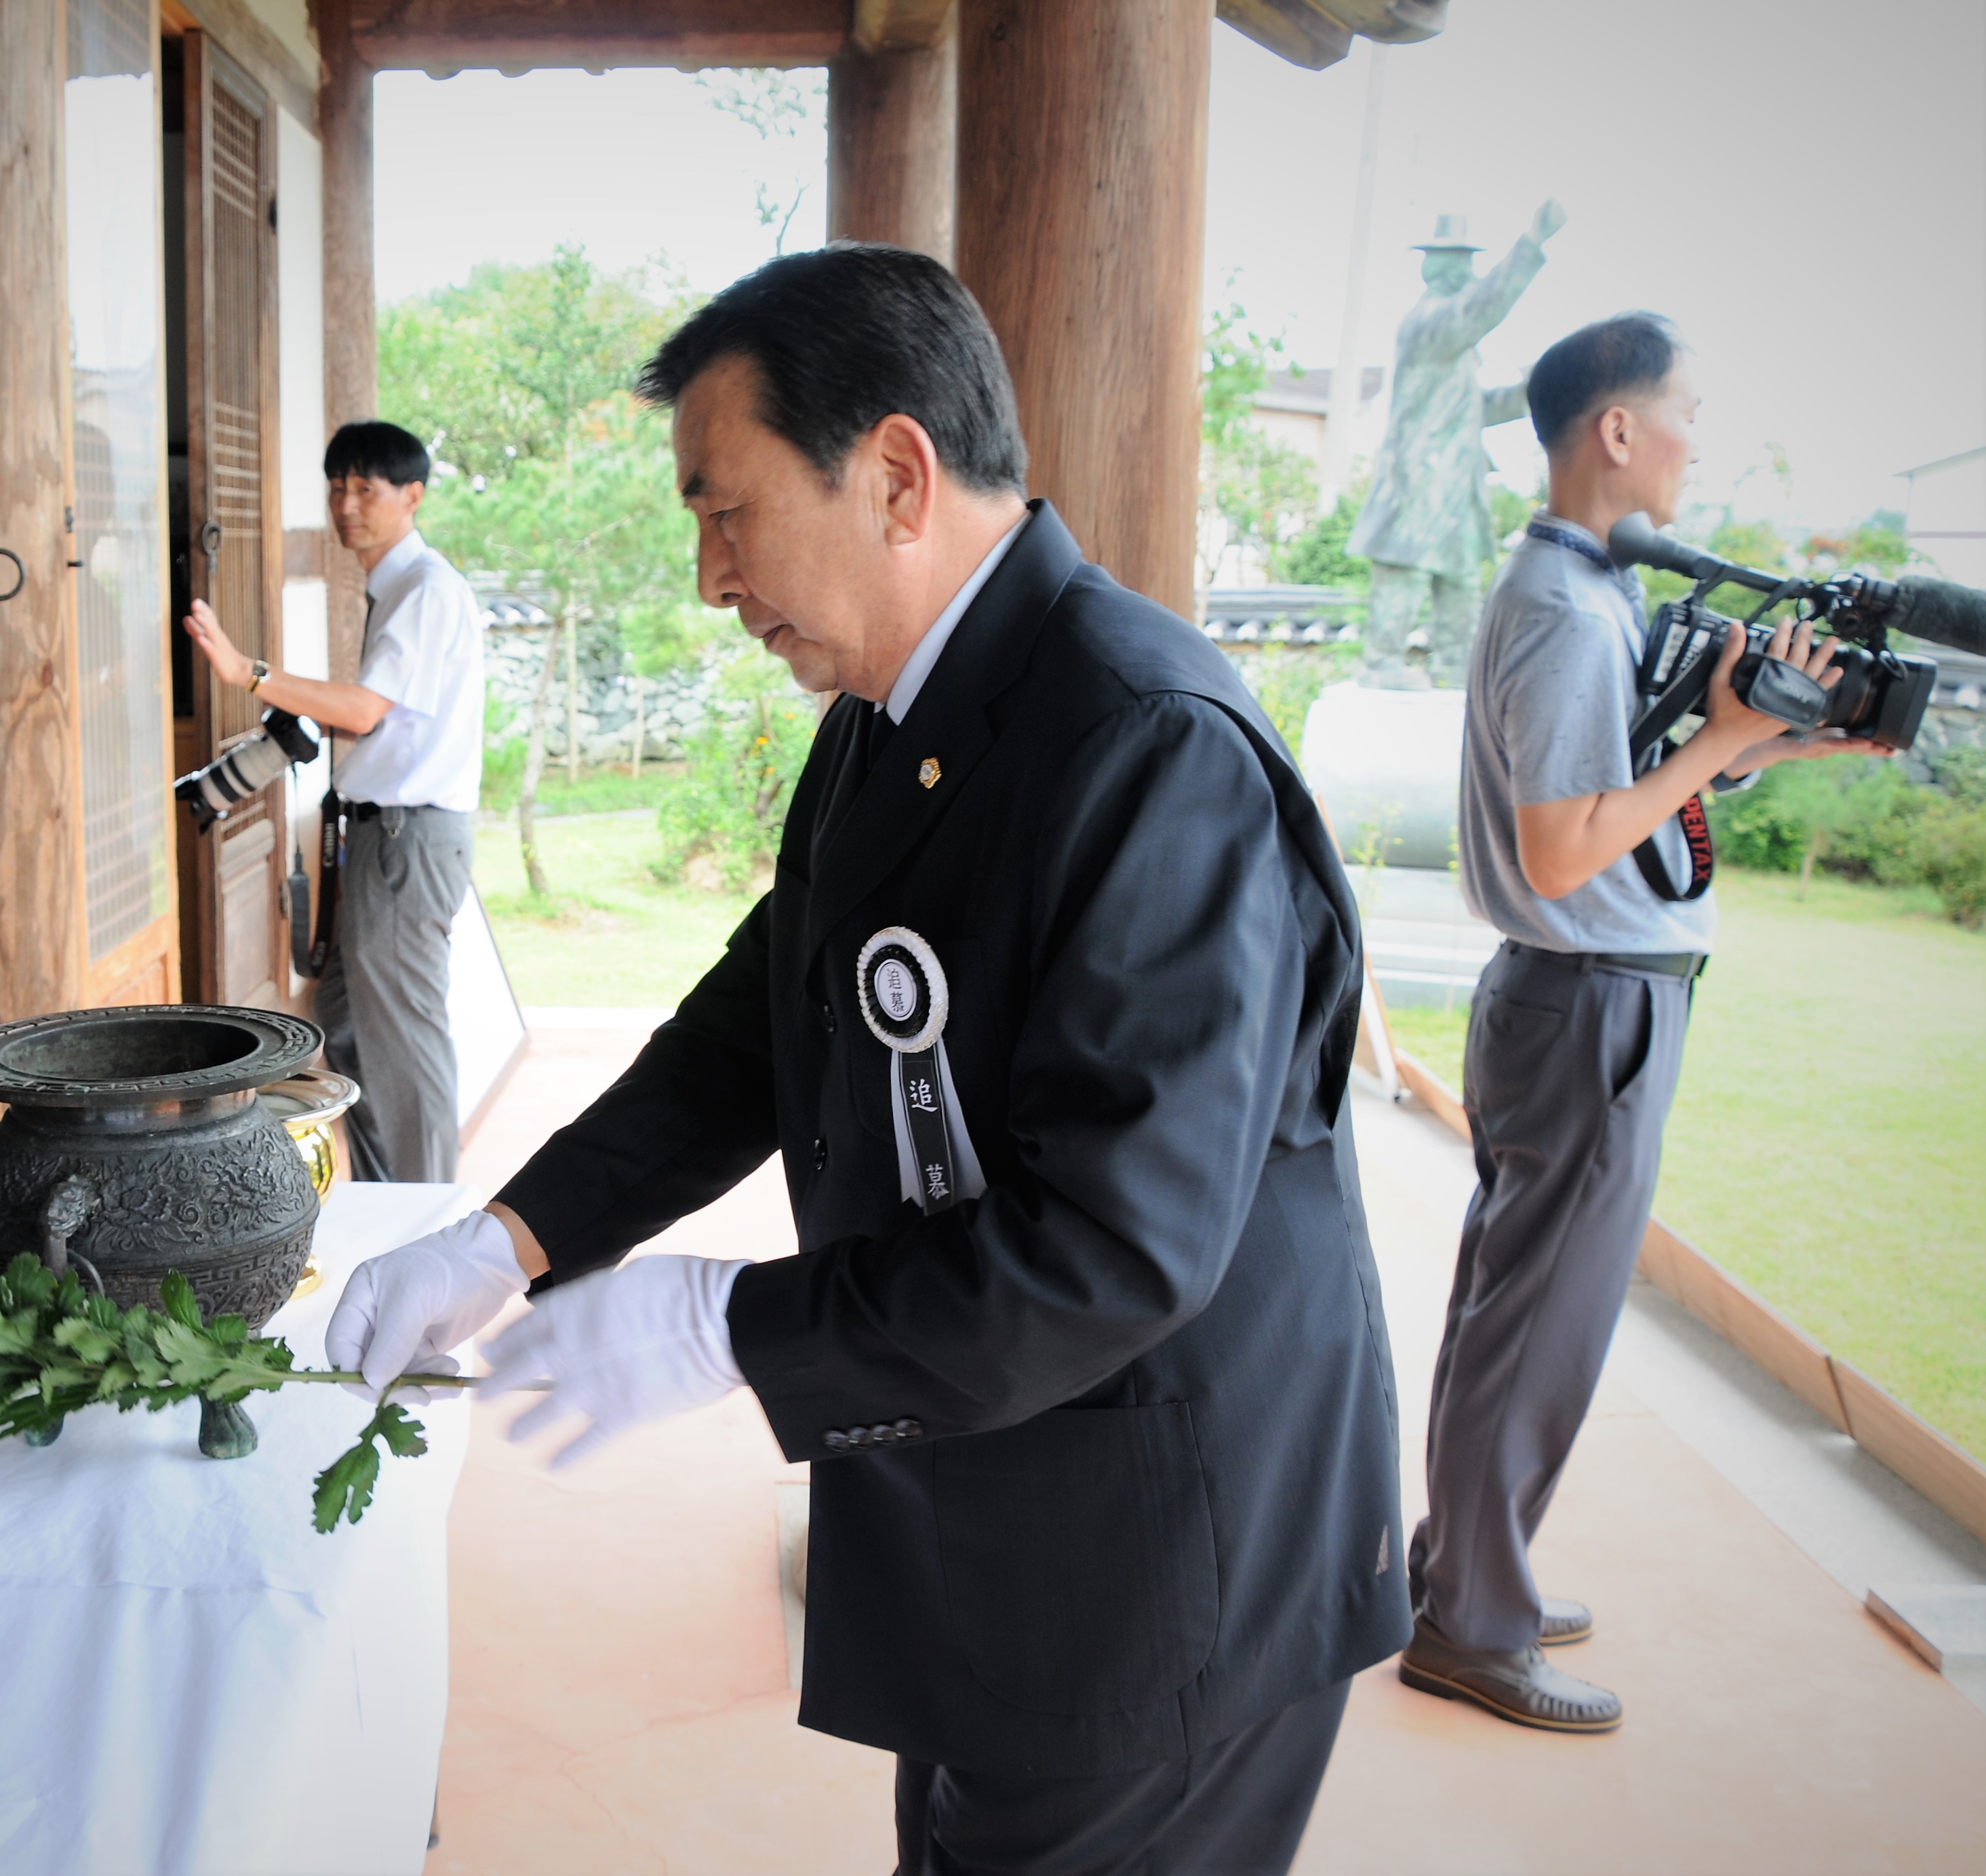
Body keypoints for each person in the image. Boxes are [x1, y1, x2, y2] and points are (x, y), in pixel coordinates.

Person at [326, 247, 1410, 1874]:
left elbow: (1117, 1244)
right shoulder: (887, 717)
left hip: (1160, 1561)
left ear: (895, 474)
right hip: (1003, 1516)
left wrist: (728, 1328)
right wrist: (511, 1238)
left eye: (726, 509)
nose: (709, 574)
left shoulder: (1143, 744)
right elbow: (753, 1032)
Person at [1401, 313, 1864, 1732]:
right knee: (1538, 1323)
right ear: (1614, 429)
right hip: (1587, 1003)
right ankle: (1469, 1624)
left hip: (1571, 1001)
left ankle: (1462, 1569)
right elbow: (1559, 851)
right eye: (1682, 410)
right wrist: (1722, 741)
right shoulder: (1560, 604)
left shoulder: (1584, 588)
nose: (1693, 438)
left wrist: (1775, 730)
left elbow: (1614, 802)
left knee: (1508, 1305)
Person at [180, 420, 482, 1182]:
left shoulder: (424, 589)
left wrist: (247, 672)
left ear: (412, 495)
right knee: (347, 1030)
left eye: (366, 488)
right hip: (383, 840)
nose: (348, 503)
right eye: (338, 486)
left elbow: (364, 710)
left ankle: (427, 1217)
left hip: (407, 842)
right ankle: (390, 1197)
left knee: (404, 1048)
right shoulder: (399, 587)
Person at [1351, 205, 1565, 687]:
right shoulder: (1429, 324)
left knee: (1460, 580)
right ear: (1437, 264)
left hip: (1456, 478)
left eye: (1470, 260)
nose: (1468, 271)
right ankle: (1380, 662)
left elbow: (1475, 409)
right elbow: (1485, 307)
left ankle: (1454, 665)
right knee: (1403, 568)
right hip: (1420, 475)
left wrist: (1528, 391)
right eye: (1459, 260)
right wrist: (1530, 241)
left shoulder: (1454, 341)